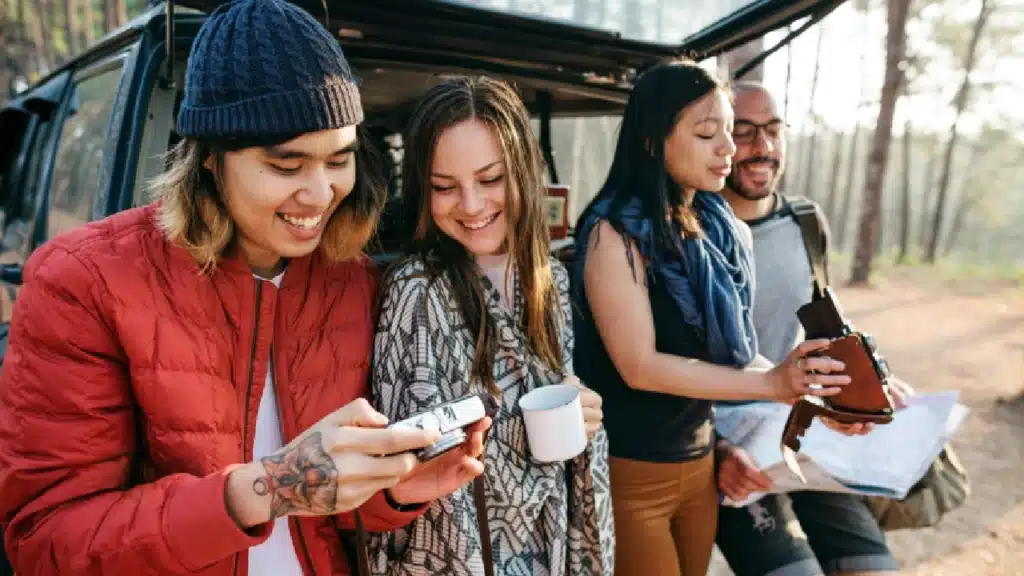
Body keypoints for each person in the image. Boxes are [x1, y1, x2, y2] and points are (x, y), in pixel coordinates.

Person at [0, 1, 489, 574]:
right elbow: (47, 542)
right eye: (286, 166)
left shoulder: (349, 279)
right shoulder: (84, 281)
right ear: (210, 158)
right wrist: (266, 488)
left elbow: (330, 514)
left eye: (339, 160)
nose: (320, 194)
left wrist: (398, 491)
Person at [570, 59, 851, 576]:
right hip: (632, 471)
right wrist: (771, 384)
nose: (728, 147)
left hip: (698, 465)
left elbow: (738, 358)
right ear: (654, 141)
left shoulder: (717, 230)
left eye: (728, 130)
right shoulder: (613, 234)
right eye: (708, 133)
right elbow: (641, 366)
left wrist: (811, 388)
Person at [368, 76, 614, 576]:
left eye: (490, 178)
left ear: (523, 169)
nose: (472, 204)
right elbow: (410, 465)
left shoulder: (550, 281)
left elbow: (557, 421)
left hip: (550, 550)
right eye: (444, 186)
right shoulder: (416, 291)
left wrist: (584, 416)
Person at [714, 81, 913, 576]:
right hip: (728, 453)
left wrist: (871, 380)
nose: (763, 148)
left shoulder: (804, 221)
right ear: (715, 140)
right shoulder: (692, 234)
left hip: (807, 438)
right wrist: (714, 449)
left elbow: (825, 325)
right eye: (744, 132)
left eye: (773, 131)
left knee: (875, 570)